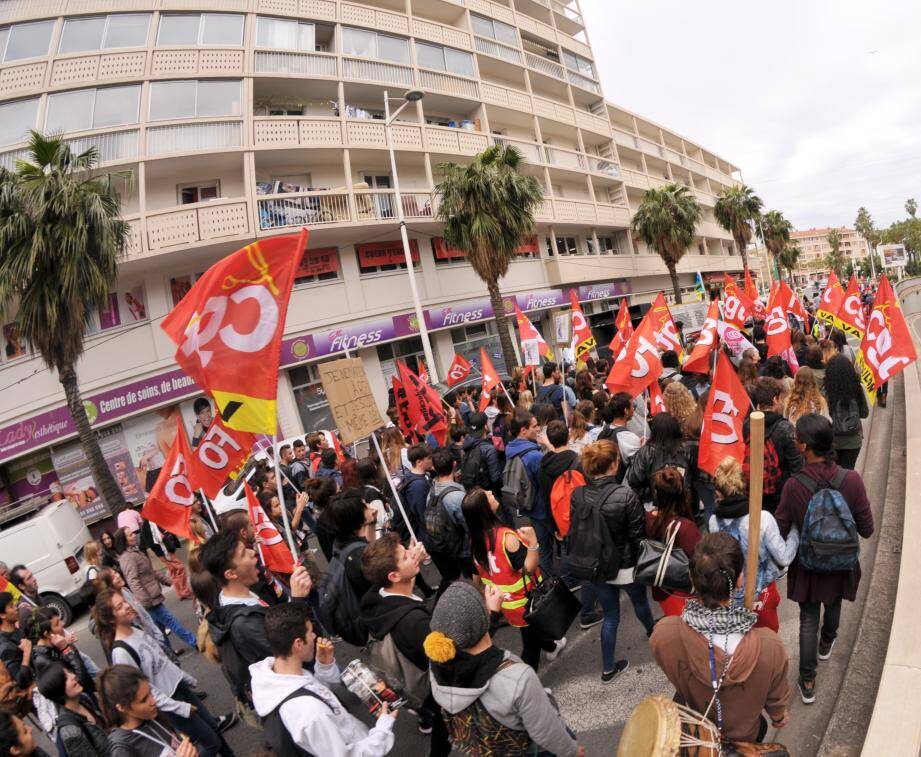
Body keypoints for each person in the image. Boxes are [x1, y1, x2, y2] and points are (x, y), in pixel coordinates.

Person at [650, 532, 792, 743]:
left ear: (691, 578)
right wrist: (778, 714)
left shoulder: (664, 635)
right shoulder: (769, 645)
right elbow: (777, 705)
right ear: (739, 580)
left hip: (700, 737)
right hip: (747, 736)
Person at [775, 414, 874, 704]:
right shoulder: (851, 479)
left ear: (804, 446)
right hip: (841, 562)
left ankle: (807, 680)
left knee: (808, 619)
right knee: (834, 604)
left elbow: (780, 528)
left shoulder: (794, 485)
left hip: (808, 564)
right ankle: (827, 642)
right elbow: (867, 529)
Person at [423, 581, 582, 757]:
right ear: (482, 620)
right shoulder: (518, 678)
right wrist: (572, 752)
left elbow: (470, 644)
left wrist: (492, 614)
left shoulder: (437, 664)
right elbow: (545, 732)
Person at [94, 589, 235, 754]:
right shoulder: (121, 652)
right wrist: (178, 707)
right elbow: (143, 689)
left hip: (179, 689)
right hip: (168, 702)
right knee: (210, 743)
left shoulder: (137, 630)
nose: (127, 606)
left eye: (125, 601)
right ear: (111, 619)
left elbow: (162, 661)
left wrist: (184, 678)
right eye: (119, 606)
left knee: (213, 727)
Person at [250, 602, 396, 756]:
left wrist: (324, 666)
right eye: (310, 633)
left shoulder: (278, 675)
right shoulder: (312, 713)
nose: (314, 637)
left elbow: (315, 693)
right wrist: (383, 729)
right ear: (298, 644)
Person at [199, 528, 313, 706]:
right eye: (244, 553)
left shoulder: (249, 587)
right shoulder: (244, 624)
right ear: (230, 574)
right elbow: (287, 656)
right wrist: (298, 602)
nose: (253, 552)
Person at [572, 441, 655, 682]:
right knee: (640, 601)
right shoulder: (626, 495)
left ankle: (608, 668)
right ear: (614, 464)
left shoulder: (578, 495)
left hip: (596, 566)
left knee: (610, 616)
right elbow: (638, 536)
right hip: (625, 565)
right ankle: (652, 632)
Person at [359, 534, 450, 755]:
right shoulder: (413, 622)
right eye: (406, 555)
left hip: (404, 682)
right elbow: (448, 656)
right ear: (394, 575)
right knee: (445, 725)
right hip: (429, 686)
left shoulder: (374, 597)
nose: (413, 553)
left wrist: (412, 561)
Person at [461, 488, 564, 671]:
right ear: (485, 509)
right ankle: (529, 683)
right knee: (530, 646)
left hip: (504, 602)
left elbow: (476, 573)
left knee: (532, 632)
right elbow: (528, 569)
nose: (492, 492)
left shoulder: (474, 538)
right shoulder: (506, 538)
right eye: (488, 495)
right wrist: (533, 543)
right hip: (525, 600)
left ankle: (552, 646)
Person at [709, 457, 798, 632]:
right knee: (767, 645)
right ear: (743, 485)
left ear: (718, 492)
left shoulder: (714, 522)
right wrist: (796, 531)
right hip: (762, 594)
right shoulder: (762, 518)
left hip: (731, 597)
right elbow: (784, 557)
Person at [537, 420, 601, 629]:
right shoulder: (579, 461)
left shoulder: (543, 465)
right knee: (589, 565)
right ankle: (588, 612)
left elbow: (546, 497)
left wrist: (554, 525)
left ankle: (569, 582)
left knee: (566, 552)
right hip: (583, 520)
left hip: (560, 521)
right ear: (568, 436)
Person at [113, 527, 197, 649]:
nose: (134, 536)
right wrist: (146, 601)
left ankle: (168, 654)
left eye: (133, 533)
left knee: (159, 630)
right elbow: (133, 581)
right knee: (171, 622)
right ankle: (194, 642)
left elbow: (150, 572)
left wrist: (168, 580)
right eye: (130, 535)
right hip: (149, 600)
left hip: (151, 597)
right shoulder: (127, 558)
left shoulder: (136, 552)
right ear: (124, 540)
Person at [98, 665, 197, 757]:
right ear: (122, 707)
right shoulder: (122, 749)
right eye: (144, 700)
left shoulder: (152, 716)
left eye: (150, 692)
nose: (153, 701)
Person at [645, 468, 701, 617]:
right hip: (683, 591)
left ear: (656, 493)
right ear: (683, 491)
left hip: (661, 586)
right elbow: (700, 562)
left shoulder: (647, 518)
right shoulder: (686, 528)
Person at [742, 378, 804, 514]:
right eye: (782, 399)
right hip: (780, 494)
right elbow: (797, 467)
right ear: (776, 400)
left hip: (753, 491)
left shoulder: (747, 425)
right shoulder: (785, 428)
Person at [505, 410, 552, 574]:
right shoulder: (533, 456)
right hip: (543, 508)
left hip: (528, 506)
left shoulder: (511, 449)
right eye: (534, 426)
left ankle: (546, 580)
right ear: (523, 430)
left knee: (542, 547)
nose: (538, 429)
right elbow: (548, 483)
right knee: (553, 545)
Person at [425, 448, 472, 598]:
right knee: (471, 578)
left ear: (434, 468)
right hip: (462, 547)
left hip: (444, 544)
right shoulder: (457, 496)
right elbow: (468, 525)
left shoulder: (432, 491)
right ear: (454, 464)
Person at [36, 663, 109, 757]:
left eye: (69, 673)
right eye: (66, 678)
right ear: (58, 688)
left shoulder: (84, 698)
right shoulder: (70, 732)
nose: (73, 676)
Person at [27, 606, 96, 695]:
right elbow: (81, 682)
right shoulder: (44, 660)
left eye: (60, 620)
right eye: (57, 624)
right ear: (47, 634)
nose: (62, 623)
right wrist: (66, 649)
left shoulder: (55, 645)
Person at [626, 412, 693, 505]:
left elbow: (634, 479)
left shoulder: (646, 451)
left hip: (654, 504)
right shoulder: (686, 451)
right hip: (682, 504)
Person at [823, 354, 869, 470]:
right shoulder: (856, 389)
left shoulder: (825, 392)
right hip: (853, 441)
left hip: (832, 442)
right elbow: (864, 413)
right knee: (847, 474)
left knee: (833, 474)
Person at [597, 392, 642, 477]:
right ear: (626, 411)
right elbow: (637, 468)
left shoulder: (602, 430)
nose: (633, 409)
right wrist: (642, 449)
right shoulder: (629, 438)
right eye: (632, 406)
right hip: (620, 485)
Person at [460, 413, 502, 501]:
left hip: (472, 493)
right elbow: (495, 478)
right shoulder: (488, 449)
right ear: (485, 426)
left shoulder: (465, 445)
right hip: (489, 493)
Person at [399, 443, 434, 541]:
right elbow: (423, 515)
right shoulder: (418, 486)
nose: (432, 460)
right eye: (429, 458)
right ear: (419, 462)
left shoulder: (411, 477)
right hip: (425, 536)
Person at [0, 591, 32, 690]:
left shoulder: (18, 630)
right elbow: (22, 681)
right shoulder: (5, 646)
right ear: (2, 615)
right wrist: (26, 653)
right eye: (11, 606)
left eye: (14, 605)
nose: (16, 608)